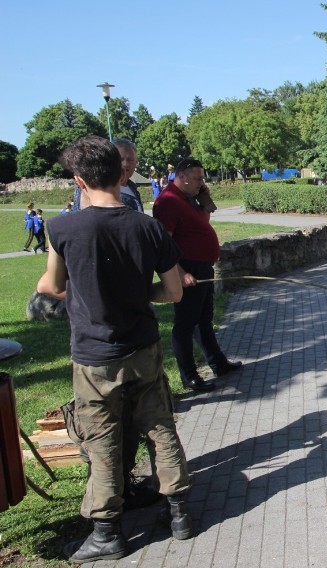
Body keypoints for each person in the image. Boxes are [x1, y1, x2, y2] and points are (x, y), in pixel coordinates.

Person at [36, 136, 195, 563]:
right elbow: (174, 293)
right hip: (142, 346)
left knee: (102, 438)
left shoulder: (63, 228)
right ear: (121, 172)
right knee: (160, 425)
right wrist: (143, 293)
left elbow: (52, 286)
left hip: (94, 356)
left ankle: (108, 533)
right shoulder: (147, 227)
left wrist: (61, 290)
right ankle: (179, 513)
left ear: (78, 180)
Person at [153, 158, 242, 391]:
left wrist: (204, 199)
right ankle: (189, 376)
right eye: (198, 179)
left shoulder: (189, 198)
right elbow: (164, 244)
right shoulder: (168, 202)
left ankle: (218, 363)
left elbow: (203, 222)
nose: (201, 182)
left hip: (203, 267)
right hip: (188, 270)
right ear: (182, 176)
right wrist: (180, 273)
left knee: (204, 320)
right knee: (185, 324)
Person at [114, 138, 144, 212]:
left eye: (130, 160)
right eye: (121, 159)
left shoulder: (133, 188)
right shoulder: (105, 190)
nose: (125, 164)